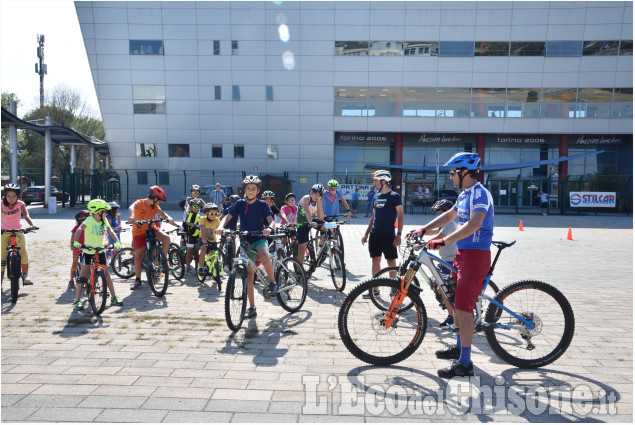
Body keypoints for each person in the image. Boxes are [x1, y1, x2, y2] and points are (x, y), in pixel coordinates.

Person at [414, 152, 494, 379]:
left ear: (464, 172)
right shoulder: (464, 195)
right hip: (462, 254)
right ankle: (459, 347)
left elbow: (475, 224)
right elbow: (449, 216)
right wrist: (423, 229)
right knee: (455, 301)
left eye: (452, 173)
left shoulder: (480, 194)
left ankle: (466, 364)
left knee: (463, 309)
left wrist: (443, 240)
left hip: (476, 255)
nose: (450, 177)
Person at [216, 176, 275, 319]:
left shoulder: (262, 205)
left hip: (259, 237)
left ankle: (273, 282)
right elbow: (227, 216)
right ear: (245, 190)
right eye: (248, 188)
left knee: (264, 254)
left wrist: (270, 229)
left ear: (258, 190)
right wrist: (220, 226)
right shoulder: (240, 204)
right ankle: (252, 307)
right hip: (245, 240)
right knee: (249, 275)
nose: (250, 191)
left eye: (253, 189)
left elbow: (271, 221)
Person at [412, 199, 458, 328]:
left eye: (440, 213)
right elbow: (435, 231)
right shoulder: (445, 224)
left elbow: (439, 237)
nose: (438, 215)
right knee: (439, 284)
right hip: (445, 259)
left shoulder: (450, 224)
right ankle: (449, 306)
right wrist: (419, 232)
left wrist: (421, 244)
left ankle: (452, 317)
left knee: (443, 288)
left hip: (451, 260)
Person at [71, 199, 123, 310]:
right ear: (99, 211)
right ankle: (77, 300)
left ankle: (114, 297)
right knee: (84, 274)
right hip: (88, 251)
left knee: (106, 273)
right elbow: (79, 229)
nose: (107, 214)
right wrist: (76, 242)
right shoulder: (89, 220)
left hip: (100, 251)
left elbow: (110, 231)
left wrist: (117, 241)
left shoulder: (103, 221)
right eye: (106, 212)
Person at [361, 170, 404, 297]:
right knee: (375, 260)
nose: (374, 183)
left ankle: (393, 291)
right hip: (375, 235)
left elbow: (401, 216)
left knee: (391, 262)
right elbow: (373, 217)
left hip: (388, 235)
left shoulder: (394, 196)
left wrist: (399, 235)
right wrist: (366, 234)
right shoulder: (375, 197)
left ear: (383, 181)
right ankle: (375, 290)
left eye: (375, 181)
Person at [127, 186, 177, 290]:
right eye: (159, 200)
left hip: (151, 228)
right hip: (138, 232)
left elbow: (161, 213)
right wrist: (132, 216)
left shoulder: (155, 207)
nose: (159, 203)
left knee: (166, 238)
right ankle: (137, 280)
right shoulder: (140, 202)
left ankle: (163, 262)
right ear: (155, 198)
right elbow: (131, 207)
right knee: (138, 257)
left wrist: (168, 218)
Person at [1, 184, 38, 286]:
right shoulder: (1, 204)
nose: (11, 198)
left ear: (18, 196)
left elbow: (26, 215)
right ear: (5, 195)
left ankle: (25, 276)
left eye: (13, 196)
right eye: (8, 196)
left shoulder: (20, 204)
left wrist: (32, 225)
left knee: (23, 251)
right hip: (3, 232)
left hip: (18, 231)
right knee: (2, 256)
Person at [295, 184, 325, 266]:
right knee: (302, 247)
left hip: (311, 221)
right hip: (302, 223)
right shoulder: (306, 198)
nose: (317, 196)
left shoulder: (318, 201)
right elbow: (306, 211)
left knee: (328, 228)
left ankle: (321, 247)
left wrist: (320, 205)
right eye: (315, 194)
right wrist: (311, 223)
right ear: (311, 192)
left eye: (319, 195)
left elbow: (320, 218)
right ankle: (298, 270)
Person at [198, 203, 221, 274]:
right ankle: (201, 267)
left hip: (213, 240)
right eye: (212, 214)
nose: (214, 216)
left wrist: (225, 237)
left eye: (215, 214)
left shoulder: (217, 220)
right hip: (203, 239)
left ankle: (215, 276)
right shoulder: (202, 219)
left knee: (214, 258)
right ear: (206, 213)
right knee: (203, 249)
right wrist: (204, 239)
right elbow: (202, 229)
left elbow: (220, 229)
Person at [69, 210, 89, 289]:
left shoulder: (88, 227)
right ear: (80, 220)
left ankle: (85, 279)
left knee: (86, 264)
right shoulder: (76, 228)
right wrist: (72, 245)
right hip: (77, 248)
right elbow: (72, 237)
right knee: (74, 263)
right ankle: (71, 280)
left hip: (86, 248)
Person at [183, 199, 202, 275]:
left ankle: (197, 267)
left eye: (197, 207)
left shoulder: (198, 215)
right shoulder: (190, 214)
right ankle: (188, 268)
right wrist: (195, 225)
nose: (195, 208)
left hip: (197, 235)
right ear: (191, 207)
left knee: (197, 252)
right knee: (189, 252)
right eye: (194, 206)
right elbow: (187, 222)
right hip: (190, 235)